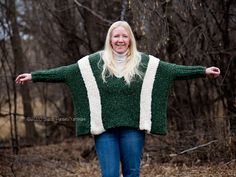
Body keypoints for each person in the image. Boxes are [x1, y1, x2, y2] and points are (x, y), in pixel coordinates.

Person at [16, 21, 220, 177]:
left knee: (132, 174)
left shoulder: (144, 63)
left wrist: (203, 71)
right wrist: (34, 76)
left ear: (130, 39)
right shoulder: (94, 63)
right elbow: (66, 73)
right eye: (116, 36)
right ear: (110, 39)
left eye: (124, 36)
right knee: (110, 175)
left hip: (132, 129)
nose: (120, 40)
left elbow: (173, 70)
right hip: (105, 131)